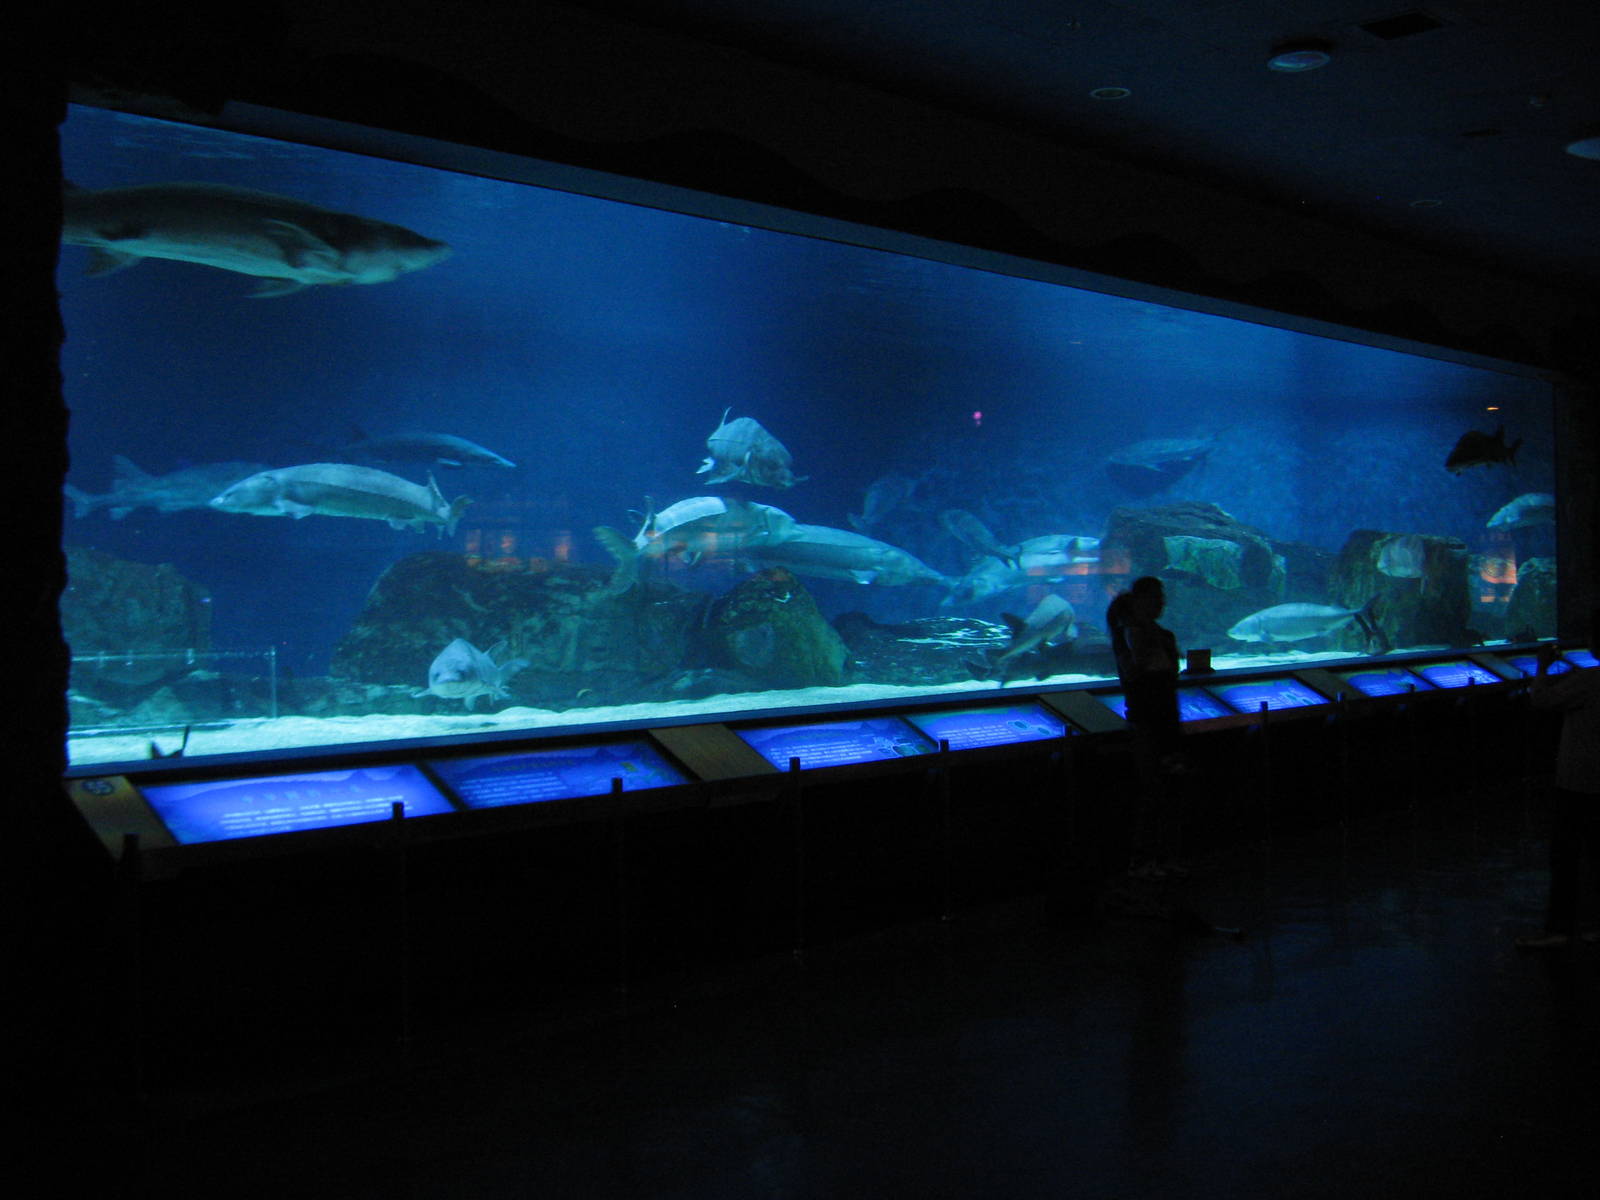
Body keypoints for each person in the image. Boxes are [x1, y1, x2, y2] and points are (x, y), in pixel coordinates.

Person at [1519, 623, 1600, 950]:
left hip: (1579, 781)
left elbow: (1541, 699)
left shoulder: (1590, 680)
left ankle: (1560, 928)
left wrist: (1542, 665)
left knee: (1566, 856)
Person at [1106, 576, 1186, 878]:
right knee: (1153, 791)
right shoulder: (1129, 633)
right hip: (1146, 722)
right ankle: (1142, 860)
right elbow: (1137, 672)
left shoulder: (1162, 635)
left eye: (1162, 597)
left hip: (1167, 720)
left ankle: (1165, 857)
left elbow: (1169, 675)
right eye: (1156, 597)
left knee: (1171, 789)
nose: (1161, 602)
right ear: (1140, 600)